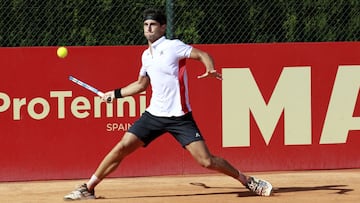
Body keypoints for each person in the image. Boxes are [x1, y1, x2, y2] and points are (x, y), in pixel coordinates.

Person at [64, 8, 272, 200]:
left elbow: (202, 54)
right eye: (146, 25)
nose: (149, 28)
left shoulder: (173, 46)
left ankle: (247, 181)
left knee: (206, 161)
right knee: (122, 147)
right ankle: (88, 188)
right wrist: (115, 94)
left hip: (180, 117)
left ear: (163, 27)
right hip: (154, 115)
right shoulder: (146, 55)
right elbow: (140, 85)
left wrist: (209, 68)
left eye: (153, 24)